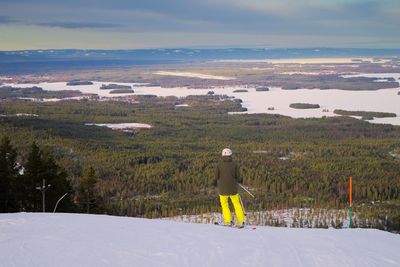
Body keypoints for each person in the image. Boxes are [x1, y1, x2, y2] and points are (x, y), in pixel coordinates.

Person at [214, 148, 245, 228]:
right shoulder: (234, 164)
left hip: (222, 190)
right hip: (233, 189)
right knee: (237, 204)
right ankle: (241, 221)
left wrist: (214, 182)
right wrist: (240, 180)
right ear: (230, 155)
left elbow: (216, 177)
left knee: (225, 205)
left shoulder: (219, 165)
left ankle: (228, 221)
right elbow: (238, 177)